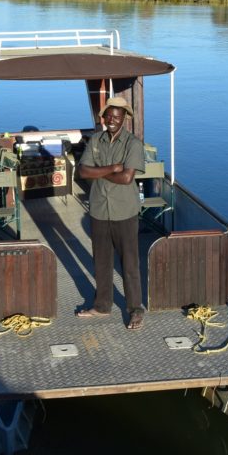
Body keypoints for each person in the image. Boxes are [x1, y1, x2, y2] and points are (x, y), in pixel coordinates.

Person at [76, 96, 146, 329]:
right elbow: (83, 172)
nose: (112, 120)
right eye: (109, 116)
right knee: (102, 263)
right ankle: (102, 306)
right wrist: (112, 168)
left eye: (117, 116)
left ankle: (136, 309)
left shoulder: (133, 144)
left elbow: (126, 178)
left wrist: (99, 171)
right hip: (98, 210)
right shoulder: (95, 140)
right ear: (104, 117)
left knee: (130, 264)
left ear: (125, 118)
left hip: (124, 211)